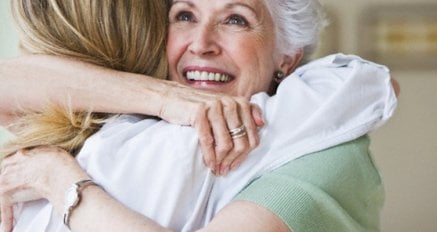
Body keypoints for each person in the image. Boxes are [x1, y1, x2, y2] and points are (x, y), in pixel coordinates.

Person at [0, 0, 397, 231]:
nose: (202, 43)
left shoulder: (323, 150)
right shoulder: (132, 126)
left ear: (287, 56)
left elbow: (371, 84)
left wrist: (61, 181)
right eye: (185, 15)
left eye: (236, 19)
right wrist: (167, 98)